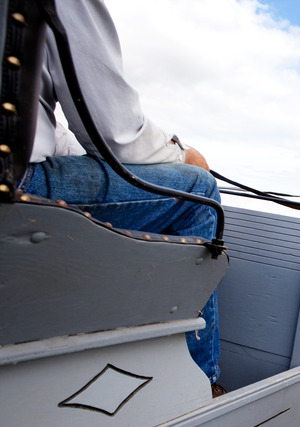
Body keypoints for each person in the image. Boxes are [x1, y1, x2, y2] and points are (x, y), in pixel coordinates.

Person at [18, 0, 222, 390]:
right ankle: (203, 382)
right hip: (17, 183)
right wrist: (184, 156)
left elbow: (39, 126)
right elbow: (114, 130)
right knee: (200, 191)